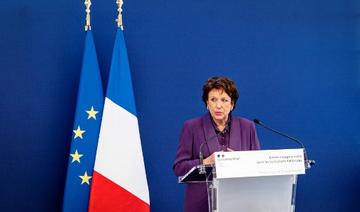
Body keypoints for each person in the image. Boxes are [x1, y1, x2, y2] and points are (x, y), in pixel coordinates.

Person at [173, 76, 260, 212]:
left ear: (232, 104)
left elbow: (258, 166)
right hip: (201, 203)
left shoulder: (247, 127)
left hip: (239, 200)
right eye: (213, 100)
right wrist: (206, 161)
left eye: (224, 100)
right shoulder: (192, 127)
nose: (218, 105)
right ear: (207, 103)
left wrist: (240, 161)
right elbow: (179, 168)